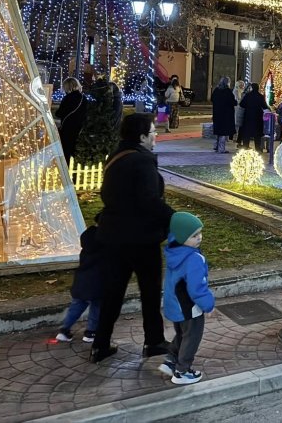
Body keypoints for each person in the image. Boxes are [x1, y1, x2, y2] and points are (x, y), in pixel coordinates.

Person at [90, 113, 175, 363]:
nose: (155, 137)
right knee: (149, 292)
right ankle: (154, 341)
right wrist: (175, 219)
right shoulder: (141, 162)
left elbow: (110, 195)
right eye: (152, 133)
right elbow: (150, 201)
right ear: (141, 137)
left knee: (113, 293)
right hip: (141, 239)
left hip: (113, 236)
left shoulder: (115, 157)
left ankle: (100, 345)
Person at [159, 212, 215, 385]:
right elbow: (197, 287)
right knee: (192, 337)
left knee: (182, 333)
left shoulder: (175, 253)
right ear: (181, 237)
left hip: (175, 306)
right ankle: (182, 371)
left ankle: (171, 360)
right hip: (190, 308)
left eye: (200, 233)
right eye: (194, 235)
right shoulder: (193, 258)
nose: (199, 238)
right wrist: (208, 305)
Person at [55, 217, 103, 344]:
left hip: (82, 279)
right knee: (97, 305)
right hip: (98, 281)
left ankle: (64, 330)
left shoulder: (87, 242)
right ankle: (91, 332)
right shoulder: (104, 243)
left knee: (77, 305)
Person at [55, 78, 88, 170]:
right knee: (75, 151)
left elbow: (59, 113)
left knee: (65, 151)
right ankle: (75, 172)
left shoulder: (67, 98)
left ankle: (65, 171)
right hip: (80, 128)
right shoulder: (83, 98)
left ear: (67, 87)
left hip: (67, 128)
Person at [238, 82, 269, 152]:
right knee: (257, 134)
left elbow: (241, 104)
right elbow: (264, 106)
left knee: (247, 133)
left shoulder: (247, 96)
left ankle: (245, 146)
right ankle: (258, 148)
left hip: (248, 116)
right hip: (257, 117)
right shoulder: (260, 96)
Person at [210, 76, 236, 153]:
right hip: (225, 115)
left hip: (217, 113)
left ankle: (216, 146)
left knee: (218, 131)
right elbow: (232, 102)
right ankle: (221, 148)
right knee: (223, 132)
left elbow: (212, 99)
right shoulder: (227, 91)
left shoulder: (216, 90)